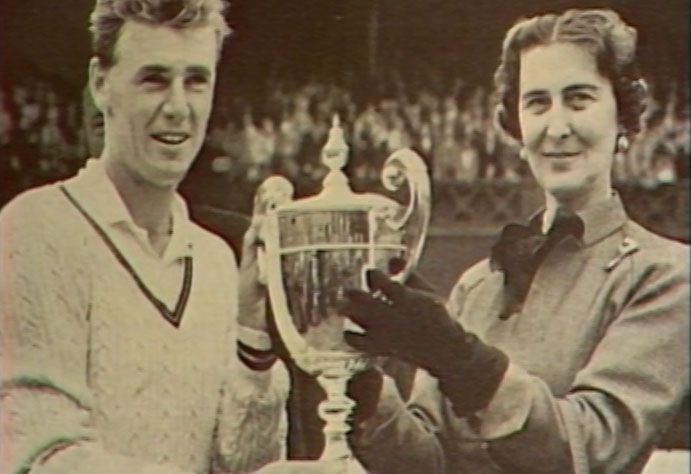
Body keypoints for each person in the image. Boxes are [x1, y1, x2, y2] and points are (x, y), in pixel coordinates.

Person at [338, 8, 690, 473]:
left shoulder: (666, 276)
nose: (556, 127)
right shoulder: (478, 286)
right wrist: (358, 383)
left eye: (579, 99)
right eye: (537, 103)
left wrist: (460, 358)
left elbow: (593, 446)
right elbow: (430, 464)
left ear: (622, 117)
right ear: (518, 127)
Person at [0, 1, 314, 472]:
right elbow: (41, 456)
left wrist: (252, 339)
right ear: (101, 84)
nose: (178, 107)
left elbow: (245, 465)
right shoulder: (37, 229)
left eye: (196, 80)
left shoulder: (214, 259)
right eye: (154, 79)